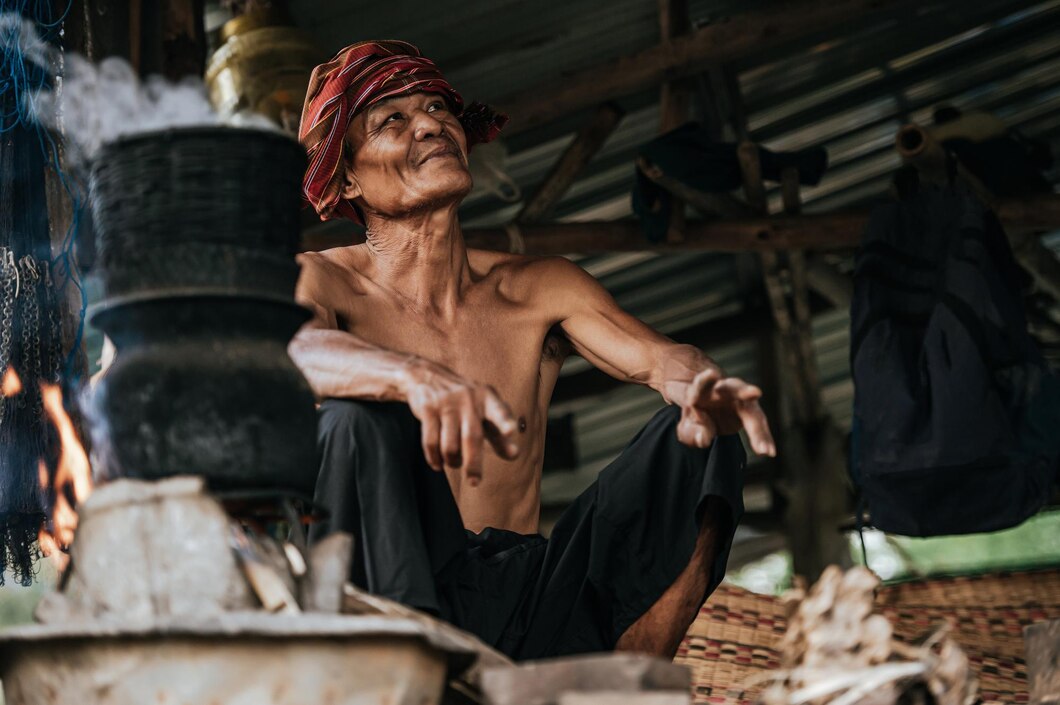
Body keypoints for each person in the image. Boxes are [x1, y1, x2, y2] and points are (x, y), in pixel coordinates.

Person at [292, 40, 776, 660]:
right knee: (354, 420)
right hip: (393, 596)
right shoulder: (319, 279)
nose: (431, 125)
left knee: (700, 438)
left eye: (438, 109)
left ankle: (625, 686)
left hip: (528, 600)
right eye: (394, 119)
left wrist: (701, 383)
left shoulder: (539, 288)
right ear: (349, 176)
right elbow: (293, 351)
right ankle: (402, 679)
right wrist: (411, 378)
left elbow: (662, 361)